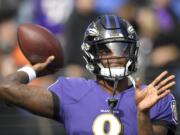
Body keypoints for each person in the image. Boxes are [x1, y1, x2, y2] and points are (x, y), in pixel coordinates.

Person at [0, 15, 177, 135]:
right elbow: (6, 88)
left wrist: (143, 114)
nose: (115, 56)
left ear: (132, 51)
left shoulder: (156, 97)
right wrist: (34, 69)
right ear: (92, 54)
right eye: (105, 50)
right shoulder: (71, 91)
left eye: (121, 48)